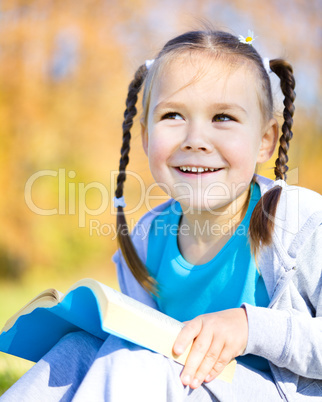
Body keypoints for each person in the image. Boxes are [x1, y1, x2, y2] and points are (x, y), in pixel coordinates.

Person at [2, 29, 322, 402]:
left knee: (137, 363)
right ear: (145, 136)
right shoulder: (148, 237)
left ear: (266, 138)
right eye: (173, 115)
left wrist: (252, 328)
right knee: (78, 349)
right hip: (181, 384)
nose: (195, 138)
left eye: (223, 117)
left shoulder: (300, 222)